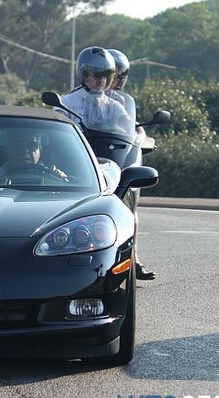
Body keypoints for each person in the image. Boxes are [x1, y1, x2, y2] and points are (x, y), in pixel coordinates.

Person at [106, 48, 156, 281]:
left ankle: (133, 259)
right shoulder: (81, 99)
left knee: (130, 208)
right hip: (89, 156)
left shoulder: (122, 102)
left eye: (118, 75)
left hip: (117, 155)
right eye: (110, 74)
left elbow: (133, 127)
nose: (114, 80)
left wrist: (140, 138)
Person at [59, 46, 133, 135]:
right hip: (76, 148)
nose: (102, 79)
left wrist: (129, 130)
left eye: (106, 75)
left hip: (107, 147)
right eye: (97, 74)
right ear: (85, 73)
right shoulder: (66, 101)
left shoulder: (113, 105)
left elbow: (127, 125)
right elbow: (58, 120)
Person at [0, 131, 68, 180]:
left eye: (31, 145)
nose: (25, 150)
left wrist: (60, 179)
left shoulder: (52, 176)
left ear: (40, 151)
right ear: (7, 151)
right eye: (17, 145)